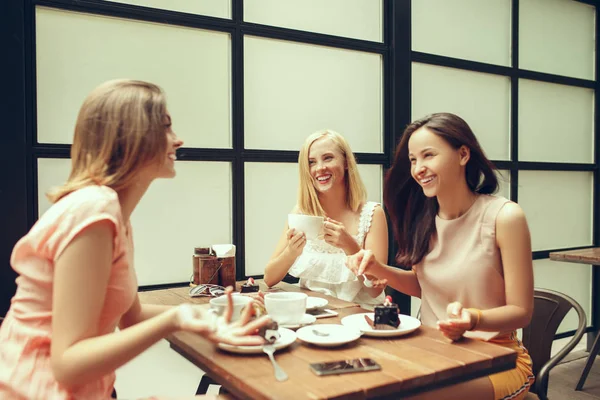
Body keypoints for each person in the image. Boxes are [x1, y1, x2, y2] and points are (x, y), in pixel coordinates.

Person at [0, 79, 269, 400]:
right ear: (132, 136)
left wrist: (204, 316)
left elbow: (132, 317)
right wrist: (174, 317)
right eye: (166, 127)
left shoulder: (115, 214)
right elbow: (68, 364)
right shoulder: (94, 209)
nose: (178, 140)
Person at [346, 113, 535, 399]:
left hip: (497, 359)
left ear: (462, 154)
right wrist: (378, 268)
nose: (419, 168)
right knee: (359, 379)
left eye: (428, 155)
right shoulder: (423, 219)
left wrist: (472, 319)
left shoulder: (505, 217)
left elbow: (522, 312)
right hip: (434, 352)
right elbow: (425, 286)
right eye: (412, 160)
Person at [264, 129, 388, 308]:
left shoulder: (372, 213)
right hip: (315, 317)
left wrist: (349, 246)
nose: (320, 168)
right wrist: (291, 252)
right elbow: (269, 278)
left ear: (346, 162)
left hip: (360, 317)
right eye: (311, 162)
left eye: (328, 158)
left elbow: (375, 290)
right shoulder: (301, 212)